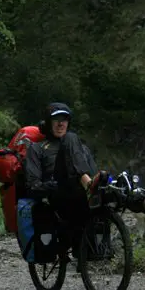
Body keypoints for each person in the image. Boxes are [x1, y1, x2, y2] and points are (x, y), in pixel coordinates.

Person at [23, 102, 96, 249]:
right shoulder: (37, 148)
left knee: (117, 187)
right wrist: (47, 186)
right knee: (70, 138)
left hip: (82, 194)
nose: (61, 124)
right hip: (59, 195)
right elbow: (32, 184)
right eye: (56, 120)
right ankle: (89, 186)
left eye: (65, 119)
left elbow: (94, 173)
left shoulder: (81, 149)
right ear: (47, 123)